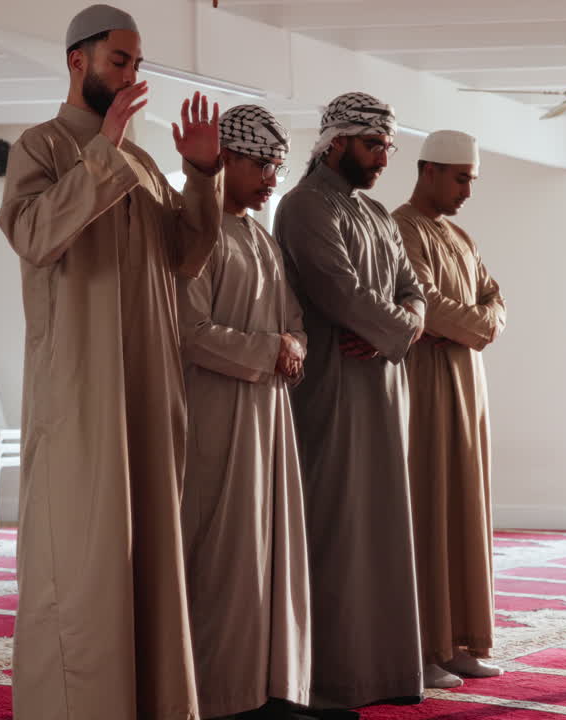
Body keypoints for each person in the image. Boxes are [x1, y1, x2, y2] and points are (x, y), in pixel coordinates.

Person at [0, 5, 222, 718]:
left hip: (148, 392)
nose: (131, 74)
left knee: (147, 555)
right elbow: (34, 235)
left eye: (136, 63)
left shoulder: (143, 163)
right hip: (81, 396)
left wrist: (202, 173)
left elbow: (185, 257)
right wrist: (106, 148)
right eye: (119, 61)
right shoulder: (42, 147)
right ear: (77, 62)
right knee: (85, 559)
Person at [273, 91, 427, 709]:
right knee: (335, 532)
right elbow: (341, 295)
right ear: (335, 141)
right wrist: (397, 324)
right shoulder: (305, 207)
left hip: (383, 390)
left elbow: (414, 294)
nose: (383, 158)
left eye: (388, 146)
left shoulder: (379, 215)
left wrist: (400, 327)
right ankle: (328, 679)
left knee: (382, 532)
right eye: (374, 145)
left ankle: (381, 674)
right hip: (333, 394)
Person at [178, 104, 311, 719]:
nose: (270, 179)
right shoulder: (194, 230)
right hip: (215, 416)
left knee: (266, 555)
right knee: (224, 556)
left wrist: (294, 345)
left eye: (278, 166)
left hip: (268, 414)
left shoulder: (260, 235)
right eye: (260, 164)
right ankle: (217, 696)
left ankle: (265, 691)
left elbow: (292, 322)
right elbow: (190, 330)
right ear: (222, 158)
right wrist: (273, 349)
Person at [391, 130, 506, 689]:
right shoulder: (401, 227)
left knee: (466, 510)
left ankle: (462, 640)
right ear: (428, 170)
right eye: (460, 178)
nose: (466, 190)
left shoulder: (459, 235)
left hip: (467, 386)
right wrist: (474, 325)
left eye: (471, 180)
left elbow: (495, 300)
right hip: (427, 387)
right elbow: (426, 306)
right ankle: (424, 645)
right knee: (430, 509)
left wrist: (473, 328)